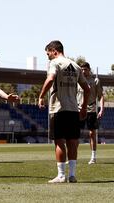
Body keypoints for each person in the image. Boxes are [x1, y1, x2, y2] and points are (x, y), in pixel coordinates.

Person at [38, 40, 90, 183]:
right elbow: (87, 89)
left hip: (58, 108)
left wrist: (41, 96)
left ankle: (61, 175)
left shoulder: (55, 63)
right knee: (72, 141)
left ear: (54, 51)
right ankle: (72, 175)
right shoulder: (76, 65)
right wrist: (84, 107)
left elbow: (50, 79)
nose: (48, 56)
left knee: (59, 141)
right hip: (73, 109)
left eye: (48, 53)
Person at [77, 62, 104, 164]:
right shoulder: (78, 80)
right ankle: (72, 157)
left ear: (89, 69)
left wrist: (101, 109)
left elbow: (100, 96)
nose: (83, 71)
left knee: (92, 133)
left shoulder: (95, 80)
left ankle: (93, 157)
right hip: (79, 109)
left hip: (91, 109)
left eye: (85, 69)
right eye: (82, 69)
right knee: (75, 134)